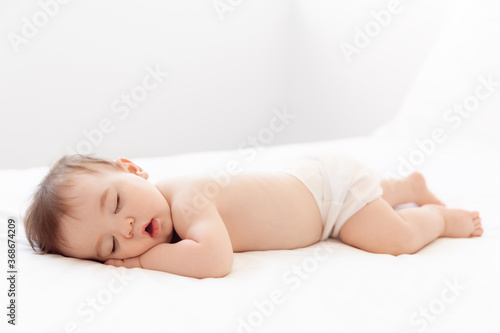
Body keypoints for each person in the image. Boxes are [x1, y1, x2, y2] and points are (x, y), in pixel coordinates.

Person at [24, 154, 483, 279]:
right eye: (110, 246)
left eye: (117, 202)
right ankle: (403, 187)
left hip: (330, 198)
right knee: (372, 198)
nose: (124, 229)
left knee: (391, 237)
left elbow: (214, 260)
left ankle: (440, 219)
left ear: (133, 169)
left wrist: (139, 262)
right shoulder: (161, 220)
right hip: (308, 181)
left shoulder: (186, 199)